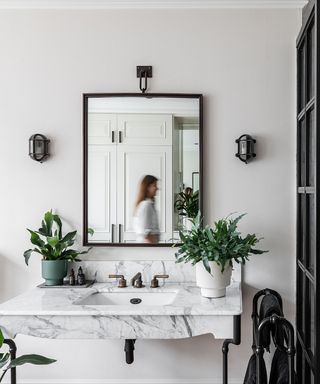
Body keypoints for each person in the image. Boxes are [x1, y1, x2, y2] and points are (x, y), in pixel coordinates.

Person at [133, 175, 160, 244]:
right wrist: (155, 248)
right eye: (154, 185)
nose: (157, 188)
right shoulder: (146, 205)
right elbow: (146, 232)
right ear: (148, 187)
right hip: (148, 248)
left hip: (148, 247)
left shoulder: (148, 204)